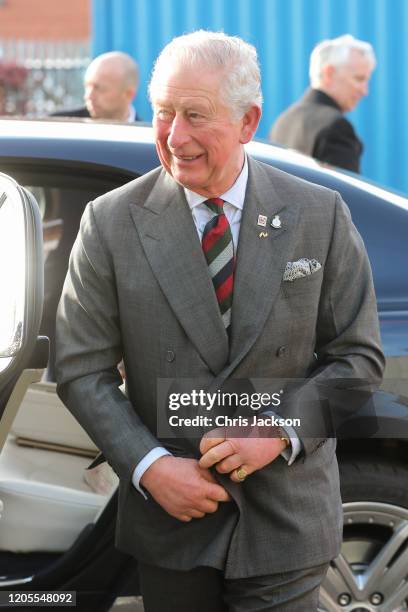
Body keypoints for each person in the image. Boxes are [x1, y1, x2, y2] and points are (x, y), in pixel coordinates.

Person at [56, 31, 384, 611]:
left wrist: (277, 433)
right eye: (163, 114)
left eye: (195, 116)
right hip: (172, 521)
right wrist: (151, 468)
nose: (175, 137)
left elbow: (358, 360)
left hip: (285, 521)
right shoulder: (109, 222)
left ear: (248, 121)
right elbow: (82, 369)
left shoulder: (319, 215)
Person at [270, 34, 376, 173]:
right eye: (359, 79)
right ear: (329, 73)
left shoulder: (283, 120)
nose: (364, 91)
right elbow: (345, 194)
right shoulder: (336, 127)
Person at [52, 51, 141, 121]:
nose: (89, 96)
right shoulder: (60, 126)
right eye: (87, 87)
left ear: (128, 94)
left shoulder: (146, 138)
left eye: (99, 88)